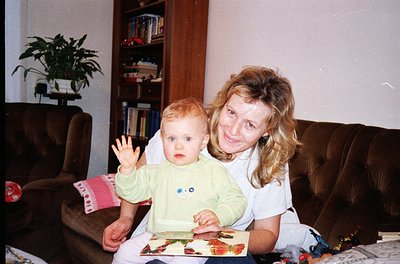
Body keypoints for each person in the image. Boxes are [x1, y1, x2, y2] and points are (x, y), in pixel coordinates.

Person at [103, 66, 300, 264]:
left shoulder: (270, 163)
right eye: (231, 112)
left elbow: (267, 235)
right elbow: (138, 177)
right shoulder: (184, 129)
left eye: (250, 125)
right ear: (223, 104)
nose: (233, 130)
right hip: (158, 241)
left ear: (267, 130)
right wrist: (125, 219)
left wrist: (223, 233)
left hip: (213, 248)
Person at [112, 98, 247, 264]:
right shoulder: (156, 171)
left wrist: (218, 216)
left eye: (187, 139)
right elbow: (131, 193)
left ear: (203, 141)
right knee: (124, 252)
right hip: (157, 237)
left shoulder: (214, 171)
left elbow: (236, 200)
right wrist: (127, 170)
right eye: (171, 139)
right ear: (162, 139)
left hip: (195, 241)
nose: (178, 146)